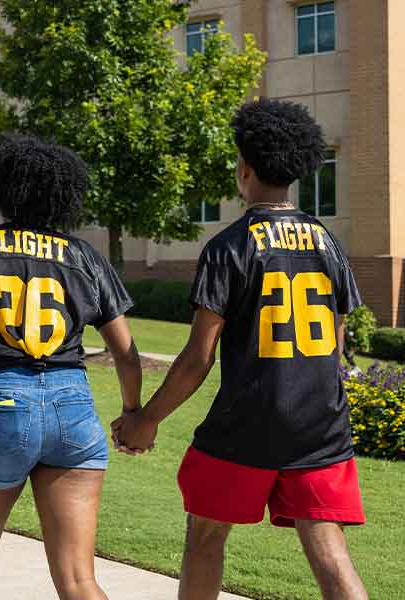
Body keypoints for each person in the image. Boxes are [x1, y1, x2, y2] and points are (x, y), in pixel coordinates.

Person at [112, 100, 368, 600]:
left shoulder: (230, 246)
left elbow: (197, 358)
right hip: (320, 425)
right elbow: (335, 344)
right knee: (330, 552)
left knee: (205, 539)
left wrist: (146, 420)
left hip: (246, 423)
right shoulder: (328, 243)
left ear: (244, 169)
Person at [0, 134, 142, 600]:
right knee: (80, 579)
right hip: (74, 404)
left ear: (2, 189)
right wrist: (133, 411)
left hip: (2, 400)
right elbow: (125, 351)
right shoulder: (84, 255)